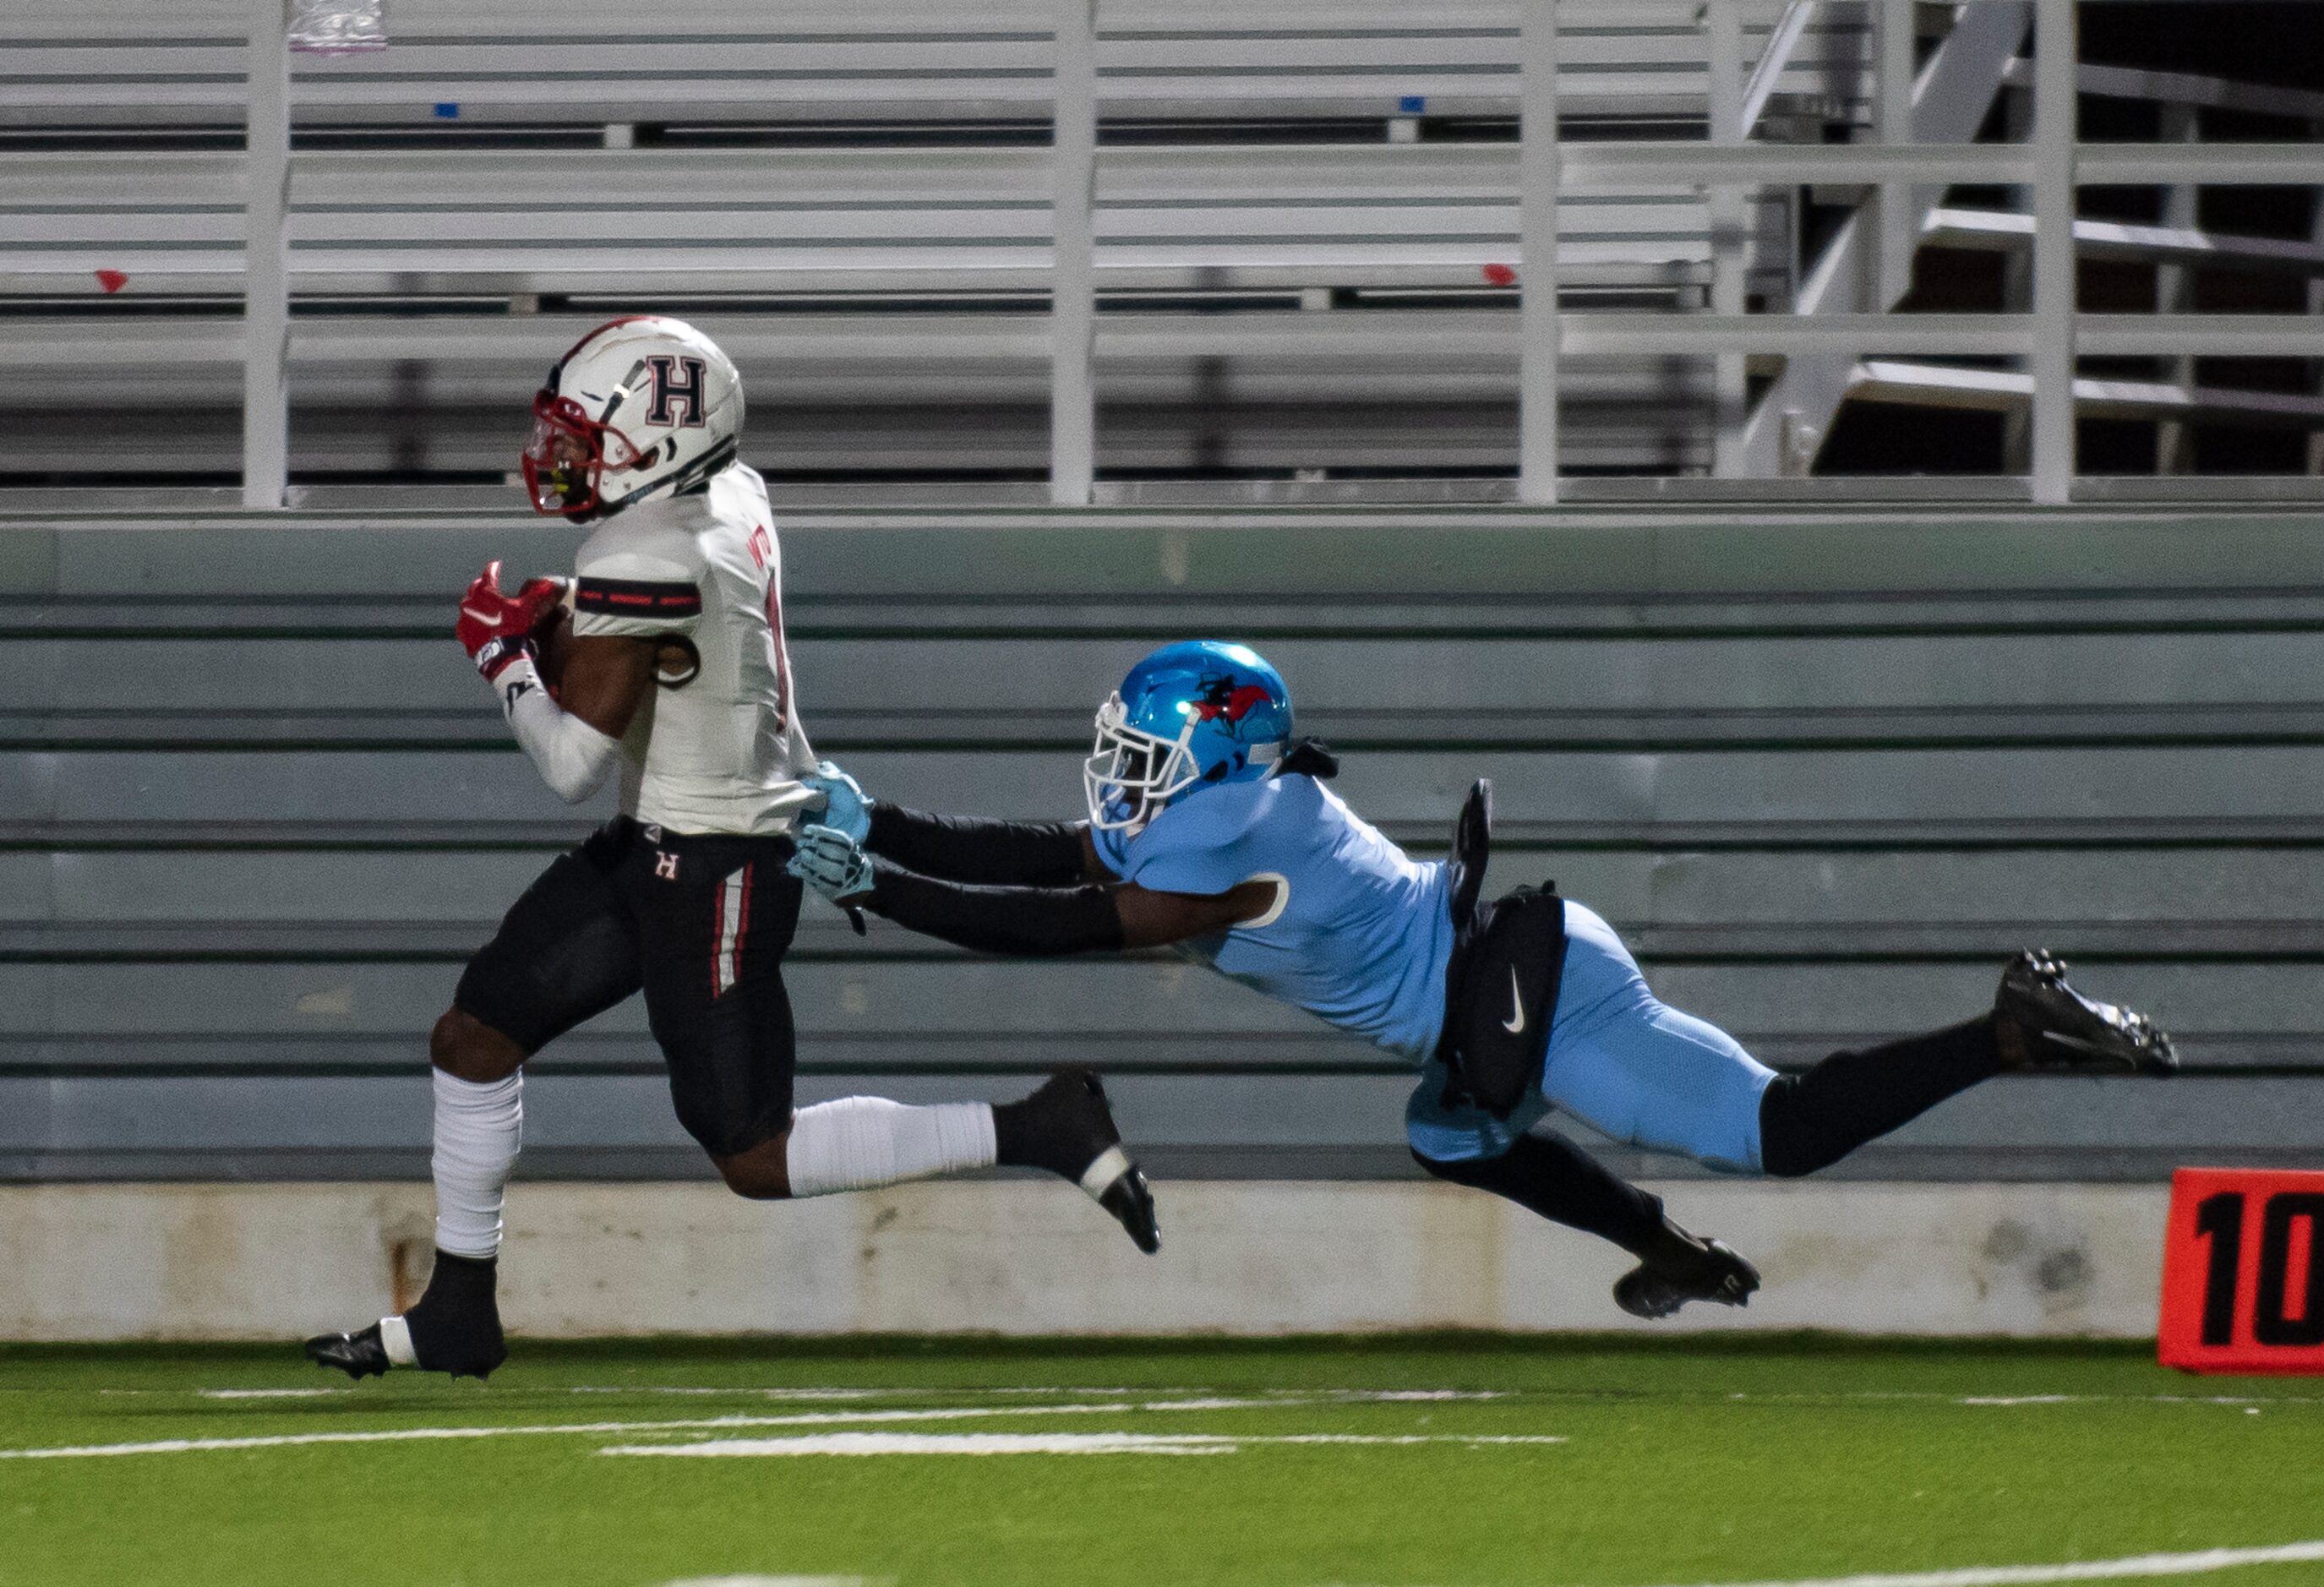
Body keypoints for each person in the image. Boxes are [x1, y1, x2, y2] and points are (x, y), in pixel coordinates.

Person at [786, 639, 2176, 1320]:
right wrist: (884, 822)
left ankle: (2006, 1028)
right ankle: (1663, 1246)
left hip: (1534, 985)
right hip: (1474, 1005)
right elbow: (1044, 859)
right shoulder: (1214, 812)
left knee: (1780, 1130)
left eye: (1142, 752)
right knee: (1448, 1129)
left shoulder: (1241, 840)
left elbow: (1060, 929)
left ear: (1210, 757)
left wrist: (884, 887)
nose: (1118, 777)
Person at [305, 318, 1155, 1382]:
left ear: (656, 444)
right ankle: (457, 1313)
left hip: (719, 865)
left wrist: (502, 660)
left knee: (754, 1154)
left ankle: (1039, 1125)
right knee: (475, 1037)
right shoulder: (726, 494)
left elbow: (570, 760)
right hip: (659, 834)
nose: (562, 457)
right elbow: (688, 649)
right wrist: (567, 610)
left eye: (586, 436)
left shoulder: (643, 550)